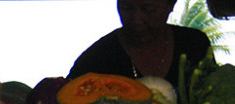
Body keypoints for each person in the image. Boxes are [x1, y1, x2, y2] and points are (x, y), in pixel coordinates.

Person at [68, 0, 211, 84]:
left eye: (148, 9)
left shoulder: (195, 44)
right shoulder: (96, 59)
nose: (136, 19)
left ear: (170, 5)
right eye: (127, 8)